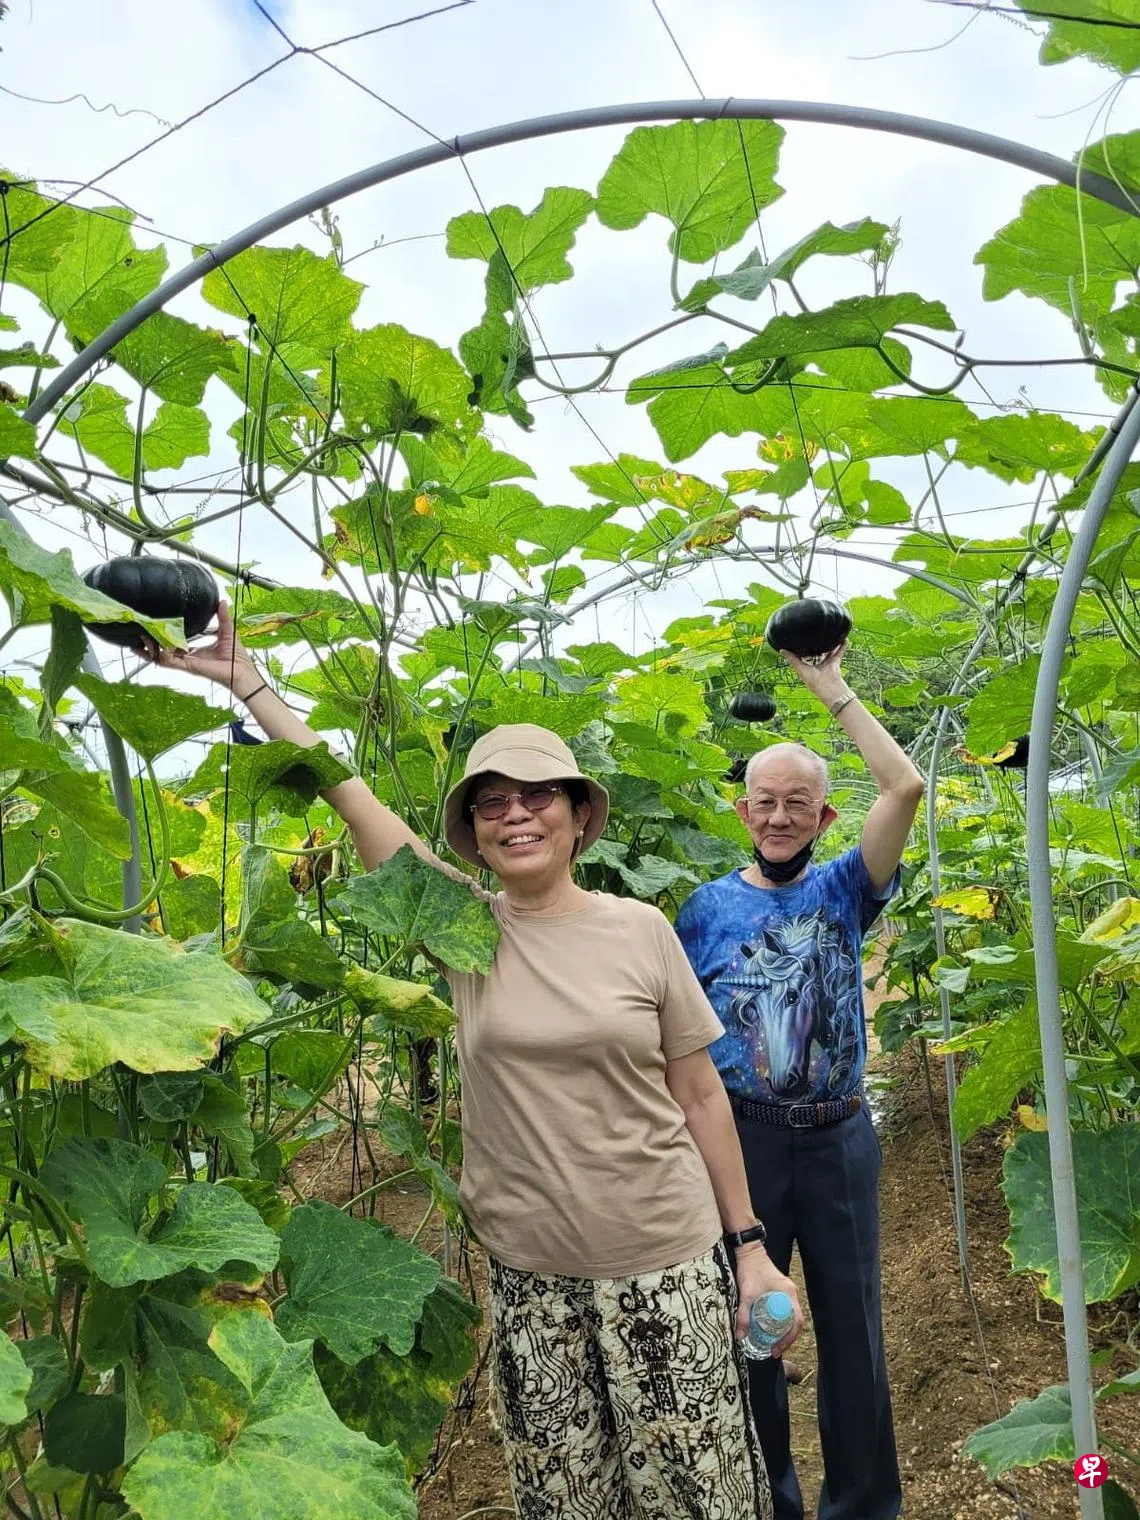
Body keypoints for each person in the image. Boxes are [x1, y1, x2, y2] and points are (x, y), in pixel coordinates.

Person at [148, 603, 803, 1520]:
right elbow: (355, 800)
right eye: (492, 803)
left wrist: (752, 1249)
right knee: (568, 1499)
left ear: (579, 815)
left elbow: (698, 1095)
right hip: (532, 1279)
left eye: (538, 796)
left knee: (699, 1497)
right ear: (476, 831)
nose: (515, 815)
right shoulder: (465, 931)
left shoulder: (640, 929)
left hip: (663, 1262)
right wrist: (250, 685)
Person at [675, 639, 925, 1520]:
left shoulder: (848, 889)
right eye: (766, 802)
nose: (780, 817)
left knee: (853, 1327)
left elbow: (905, 789)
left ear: (824, 817)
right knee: (756, 1327)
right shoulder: (703, 909)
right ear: (743, 810)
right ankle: (766, 1500)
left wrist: (832, 688)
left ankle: (862, 1506)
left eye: (798, 804)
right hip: (741, 1139)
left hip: (838, 1137)